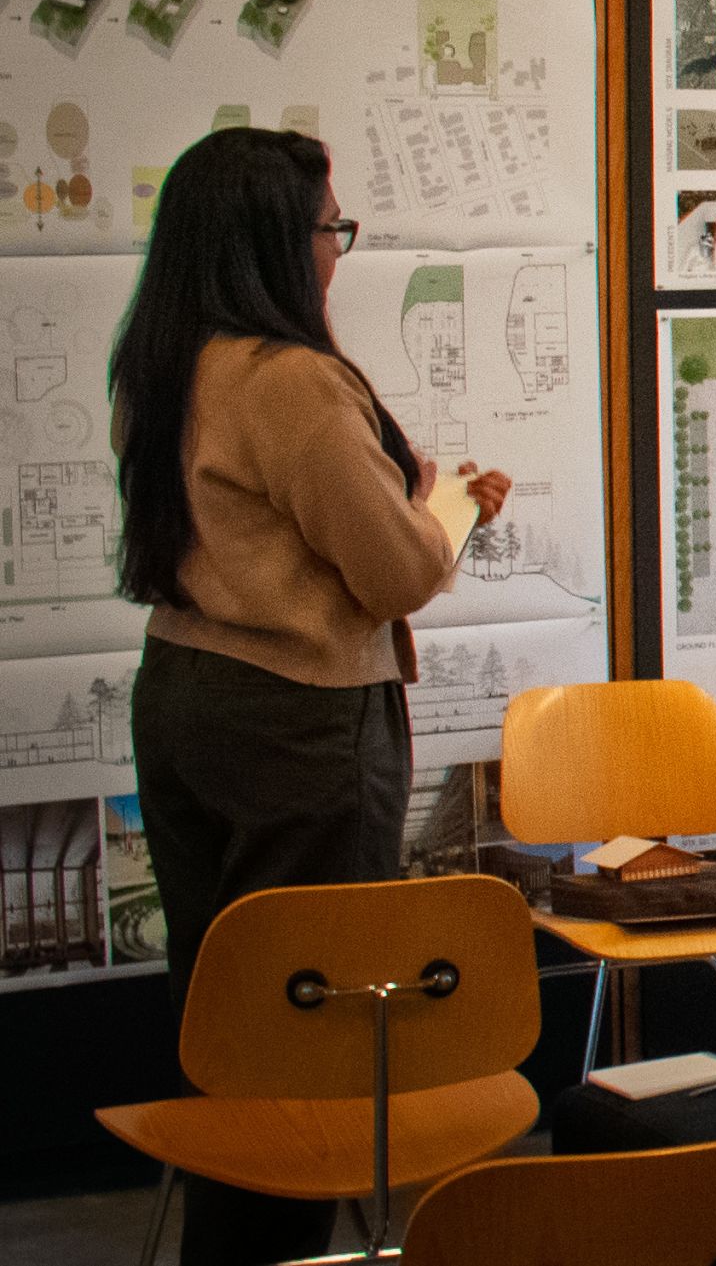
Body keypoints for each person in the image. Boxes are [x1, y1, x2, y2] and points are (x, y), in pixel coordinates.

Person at [111, 128, 509, 1266]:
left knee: (231, 1020)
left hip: (184, 695)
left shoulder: (166, 362)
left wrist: (400, 488)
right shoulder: (289, 380)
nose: (337, 249)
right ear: (278, 241)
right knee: (313, 1034)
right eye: (332, 227)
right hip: (298, 720)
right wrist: (445, 511)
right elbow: (394, 573)